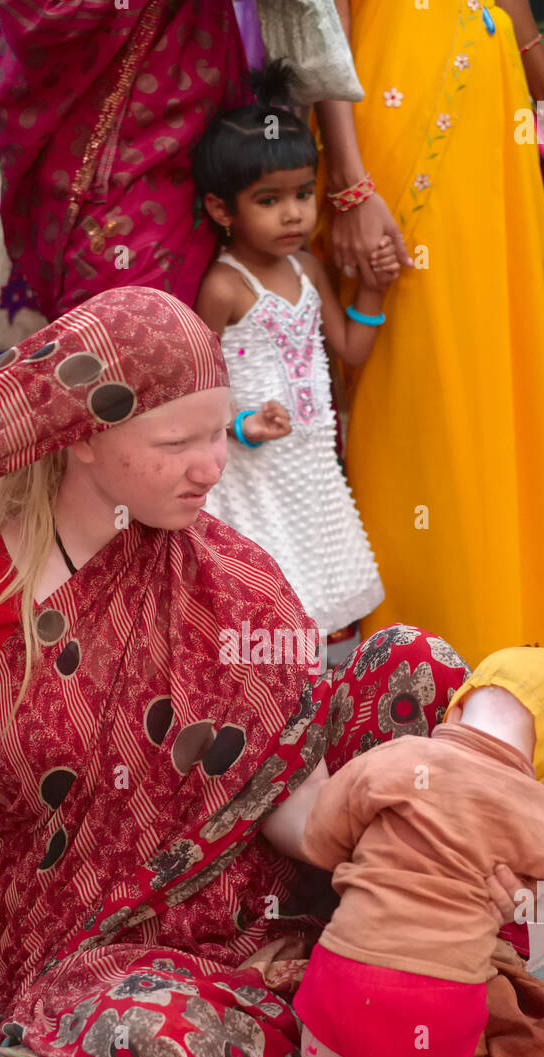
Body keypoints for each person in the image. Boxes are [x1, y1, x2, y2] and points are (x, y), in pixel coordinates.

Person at [0, 286, 487, 1057]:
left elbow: (292, 808)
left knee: (418, 667)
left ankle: (360, 996)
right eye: (177, 444)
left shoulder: (234, 578)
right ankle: (349, 1029)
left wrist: (404, 831)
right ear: (81, 437)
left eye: (217, 435)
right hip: (85, 948)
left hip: (255, 899)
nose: (211, 467)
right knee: (140, 1039)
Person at [312, 0, 544, 669]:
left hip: (496, 131)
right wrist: (350, 186)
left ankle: (520, 642)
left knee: (505, 378)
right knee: (421, 383)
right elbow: (322, 28)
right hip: (397, 131)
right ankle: (418, 664)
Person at [293, 646, 544, 1057]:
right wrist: (534, 892)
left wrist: (351, 857)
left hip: (345, 972)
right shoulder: (535, 805)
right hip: (444, 996)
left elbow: (321, 835)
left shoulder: (394, 758)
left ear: (456, 710)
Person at [0, 0, 411, 320]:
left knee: (209, 369)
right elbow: (43, 16)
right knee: (130, 369)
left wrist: (351, 186)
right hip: (108, 159)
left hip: (203, 123)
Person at [193, 62, 389, 645]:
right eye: (269, 199)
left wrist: (374, 289)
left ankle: (326, 707)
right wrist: (242, 423)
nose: (294, 214)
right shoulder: (224, 288)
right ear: (223, 210)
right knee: (273, 599)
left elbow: (350, 347)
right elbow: (194, 389)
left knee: (325, 587)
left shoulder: (307, 269)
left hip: (312, 465)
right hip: (253, 474)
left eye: (304, 194)